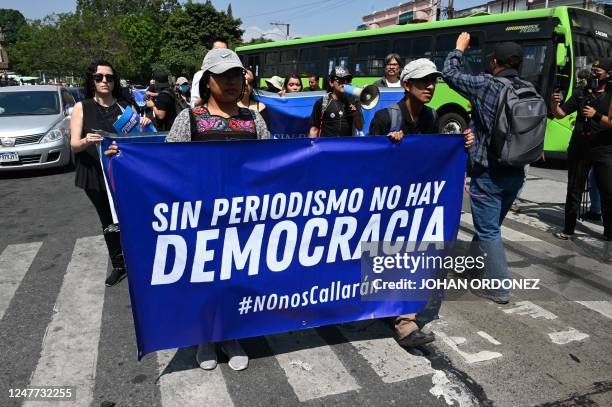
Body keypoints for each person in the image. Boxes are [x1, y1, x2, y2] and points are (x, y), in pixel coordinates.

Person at [106, 48, 269, 370]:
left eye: (236, 75)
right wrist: (123, 157)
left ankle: (231, 335)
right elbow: (166, 165)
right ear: (208, 81)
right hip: (201, 219)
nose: (232, 82)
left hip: (243, 218)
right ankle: (205, 338)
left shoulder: (254, 119)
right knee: (206, 281)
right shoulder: (190, 119)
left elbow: (272, 163)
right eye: (223, 76)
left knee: (237, 279)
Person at [369, 58, 475, 347]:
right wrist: (387, 146)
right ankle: (384, 307)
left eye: (433, 81)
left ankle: (405, 320)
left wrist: (461, 144)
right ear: (407, 85)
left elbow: (435, 156)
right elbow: (364, 162)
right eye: (423, 82)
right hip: (385, 204)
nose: (430, 87)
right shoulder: (385, 117)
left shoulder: (430, 116)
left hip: (416, 205)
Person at [443, 33, 530, 304]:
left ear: (494, 62)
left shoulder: (486, 85)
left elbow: (449, 72)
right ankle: (473, 267)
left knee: (489, 230)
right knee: (488, 225)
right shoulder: (529, 88)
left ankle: (499, 288)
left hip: (489, 171)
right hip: (516, 172)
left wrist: (459, 48)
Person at [69, 59, 151, 287]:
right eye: (99, 77)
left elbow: (138, 142)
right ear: (92, 81)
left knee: (131, 218)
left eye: (109, 77)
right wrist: (87, 140)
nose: (104, 81)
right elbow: (74, 145)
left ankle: (138, 260)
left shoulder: (126, 107)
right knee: (108, 221)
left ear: (115, 81)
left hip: (124, 175)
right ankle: (119, 264)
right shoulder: (82, 107)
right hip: (94, 175)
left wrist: (144, 125)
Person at [550, 58, 612, 262]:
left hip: (603, 149)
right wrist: (554, 102)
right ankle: (568, 228)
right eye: (592, 70)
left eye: (598, 71)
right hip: (579, 148)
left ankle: (609, 231)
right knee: (574, 189)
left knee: (607, 191)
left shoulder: (610, 94)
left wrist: (596, 115)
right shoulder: (580, 92)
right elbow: (559, 114)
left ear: (608, 74)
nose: (594, 73)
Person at [308, 66, 364, 138]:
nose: (345, 82)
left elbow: (360, 127)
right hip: (327, 147)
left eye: (348, 79)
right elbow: (314, 129)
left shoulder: (353, 101)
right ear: (331, 83)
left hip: (346, 146)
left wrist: (356, 112)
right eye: (341, 79)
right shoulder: (322, 102)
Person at [191, 36, 229, 107]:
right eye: (216, 50)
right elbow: (193, 104)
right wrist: (206, 95)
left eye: (224, 51)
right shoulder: (200, 75)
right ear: (209, 52)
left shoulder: (233, 75)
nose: (220, 54)